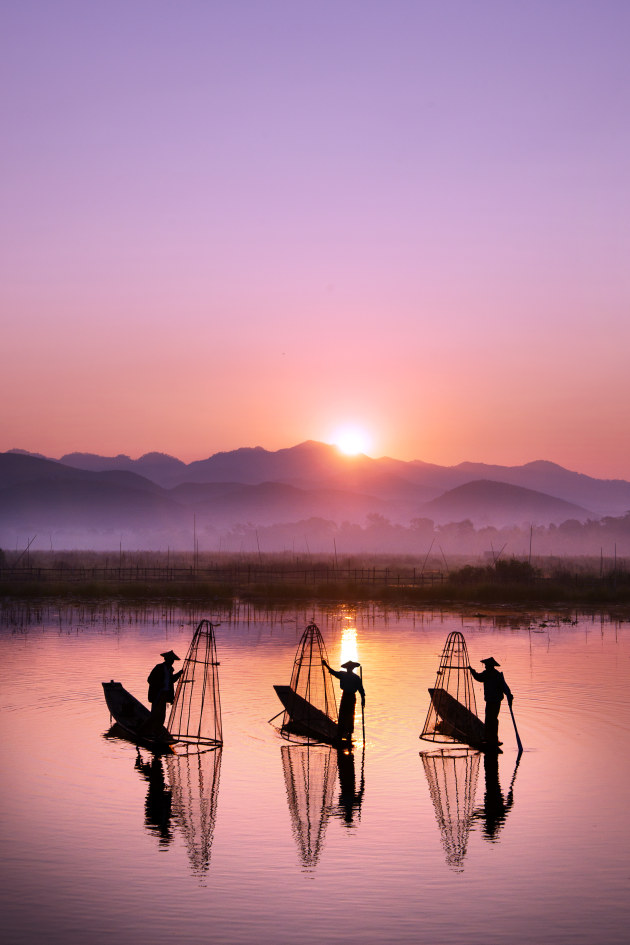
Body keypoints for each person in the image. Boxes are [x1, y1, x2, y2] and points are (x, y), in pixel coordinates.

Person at [468, 656, 513, 750]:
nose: (485, 667)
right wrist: (472, 671)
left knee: (491, 719)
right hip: (492, 700)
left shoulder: (494, 675)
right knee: (491, 719)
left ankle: (491, 739)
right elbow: (479, 678)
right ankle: (490, 738)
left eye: (486, 665)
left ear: (490, 666)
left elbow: (504, 687)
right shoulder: (493, 674)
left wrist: (509, 695)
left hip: (494, 701)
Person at [322, 659, 365, 740]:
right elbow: (361, 690)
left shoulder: (350, 676)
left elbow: (361, 690)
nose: (349, 668)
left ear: (351, 668)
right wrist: (326, 665)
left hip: (348, 697)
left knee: (345, 714)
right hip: (349, 697)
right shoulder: (354, 677)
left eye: (350, 667)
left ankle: (344, 734)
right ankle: (346, 733)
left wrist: (363, 700)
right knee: (349, 715)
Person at [147, 649, 183, 730]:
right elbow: (150, 680)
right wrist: (160, 684)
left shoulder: (170, 670)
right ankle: (150, 729)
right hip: (157, 694)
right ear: (166, 660)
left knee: (162, 714)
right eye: (171, 660)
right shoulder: (158, 667)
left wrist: (179, 673)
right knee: (155, 714)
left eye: (172, 660)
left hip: (165, 695)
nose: (172, 662)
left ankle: (158, 729)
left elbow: (171, 680)